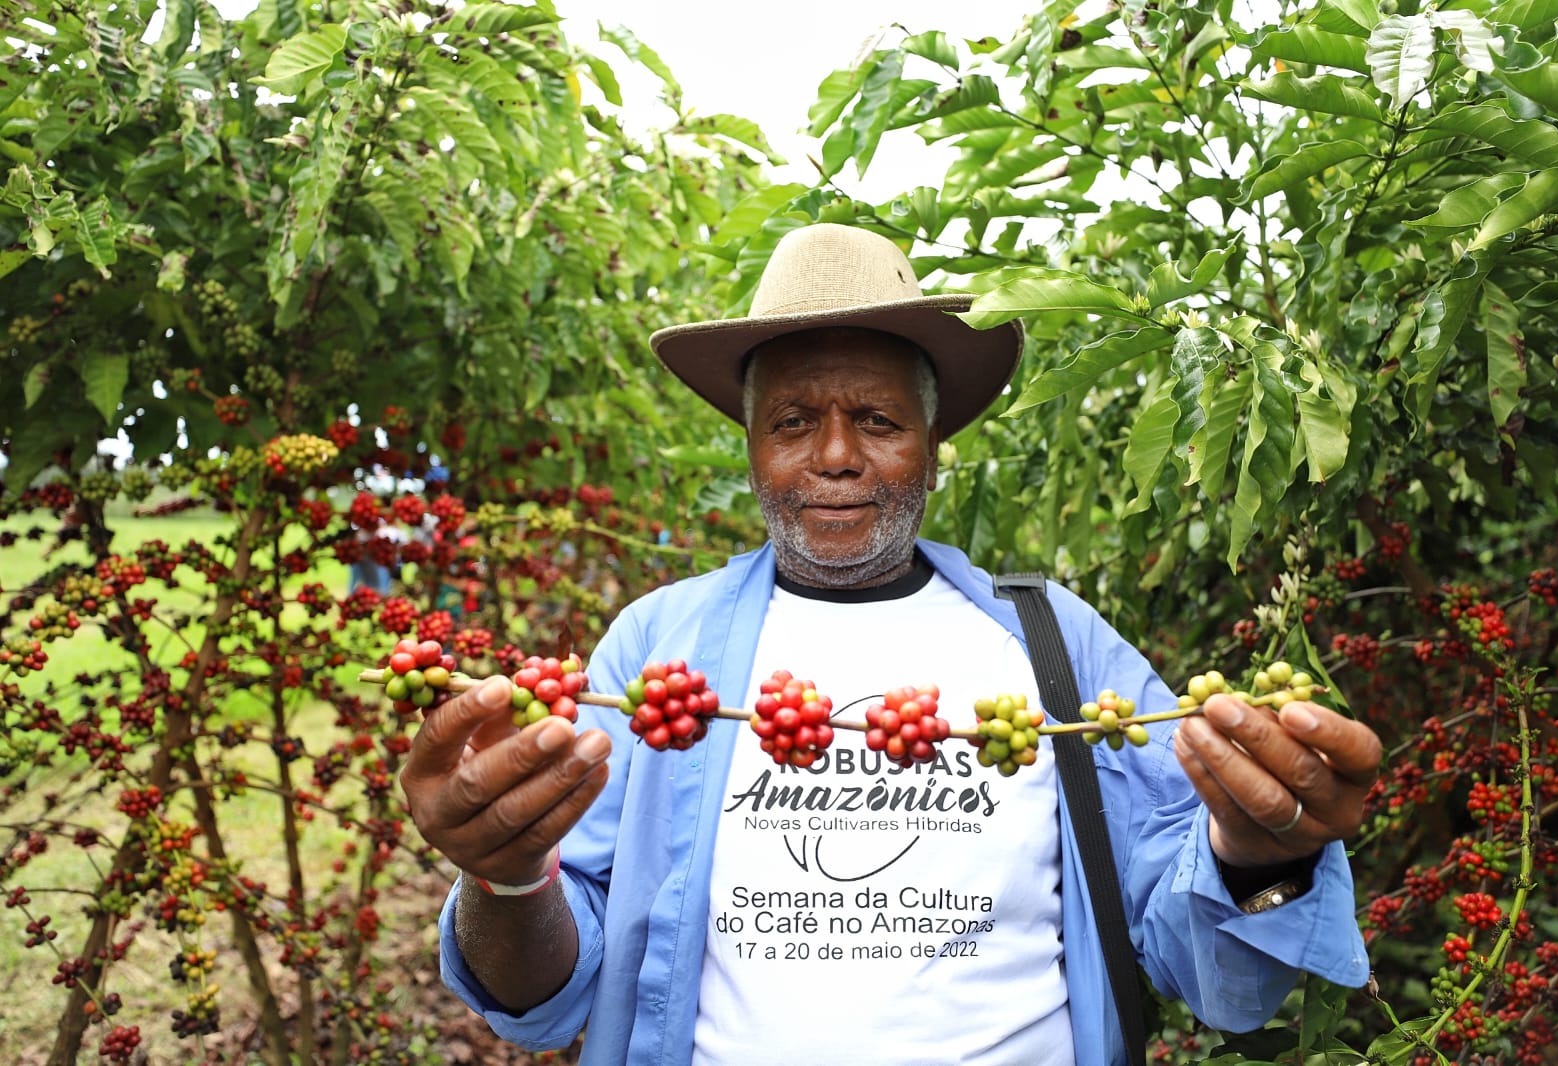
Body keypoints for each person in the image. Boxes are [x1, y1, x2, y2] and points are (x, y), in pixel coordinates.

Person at [399, 224, 1382, 1066]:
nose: (834, 455)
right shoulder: (661, 650)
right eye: (792, 422)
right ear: (751, 449)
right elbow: (545, 999)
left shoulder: (1053, 644)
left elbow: (1200, 953)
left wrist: (1259, 854)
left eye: (876, 420)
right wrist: (508, 874)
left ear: (931, 444)